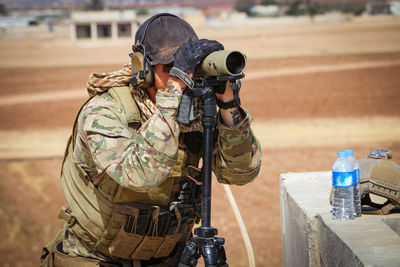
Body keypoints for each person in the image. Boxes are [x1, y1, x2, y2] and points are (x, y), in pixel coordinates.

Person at [40, 13, 261, 267]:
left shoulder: (197, 115)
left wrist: (228, 106)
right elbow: (141, 174)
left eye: (190, 69)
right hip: (96, 259)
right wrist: (175, 89)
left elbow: (240, 173)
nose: (185, 78)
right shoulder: (105, 111)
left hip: (166, 259)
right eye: (170, 69)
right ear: (142, 68)